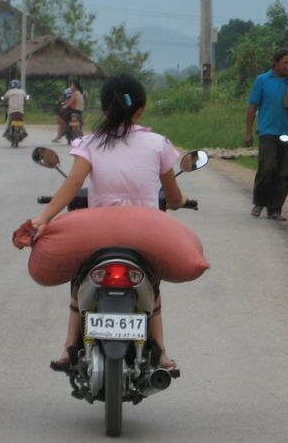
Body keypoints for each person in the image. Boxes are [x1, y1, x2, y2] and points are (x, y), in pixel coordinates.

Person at [32, 73, 188, 370]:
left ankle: (68, 348)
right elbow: (173, 195)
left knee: (80, 281)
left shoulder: (88, 142)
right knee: (152, 286)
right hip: (146, 232)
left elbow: (74, 182)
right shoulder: (158, 144)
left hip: (99, 232)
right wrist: (179, 201)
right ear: (141, 109)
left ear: (103, 109)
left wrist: (43, 218)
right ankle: (162, 353)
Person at [245, 49, 288, 221]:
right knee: (267, 167)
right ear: (276, 63)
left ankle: (275, 209)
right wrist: (248, 132)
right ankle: (259, 202)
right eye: (285, 63)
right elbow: (252, 108)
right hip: (268, 132)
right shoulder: (262, 81)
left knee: (285, 172)